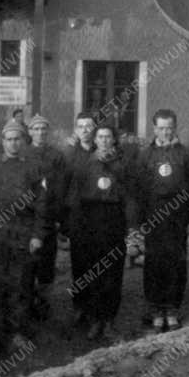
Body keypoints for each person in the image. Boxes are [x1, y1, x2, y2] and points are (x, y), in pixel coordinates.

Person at [0, 120, 45, 356]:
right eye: (9, 139)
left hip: (23, 232)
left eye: (17, 139)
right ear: (3, 141)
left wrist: (37, 235)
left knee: (21, 284)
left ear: (24, 141)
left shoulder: (34, 167)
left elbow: (42, 205)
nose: (13, 143)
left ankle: (18, 332)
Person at [62, 122, 134, 338]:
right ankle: (94, 319)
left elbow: (130, 197)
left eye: (108, 137)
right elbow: (74, 197)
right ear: (94, 140)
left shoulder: (123, 165)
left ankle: (109, 319)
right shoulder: (84, 165)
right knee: (93, 271)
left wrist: (132, 227)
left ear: (114, 140)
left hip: (114, 221)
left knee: (113, 273)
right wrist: (75, 226)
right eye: (100, 137)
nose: (104, 141)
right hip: (89, 221)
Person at [135, 108, 189, 331]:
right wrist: (138, 222)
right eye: (161, 128)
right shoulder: (145, 156)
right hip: (153, 217)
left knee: (176, 262)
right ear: (154, 129)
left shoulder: (186, 155)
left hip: (177, 217)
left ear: (175, 128)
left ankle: (172, 308)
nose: (165, 132)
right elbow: (139, 191)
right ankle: (155, 309)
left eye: (169, 128)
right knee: (154, 263)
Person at [24, 114, 65, 319]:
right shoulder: (23, 153)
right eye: (36, 129)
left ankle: (44, 300)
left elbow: (59, 189)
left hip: (48, 214)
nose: (40, 132)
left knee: (46, 260)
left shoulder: (56, 156)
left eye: (43, 129)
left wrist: (58, 216)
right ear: (30, 132)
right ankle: (26, 299)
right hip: (27, 216)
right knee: (27, 259)